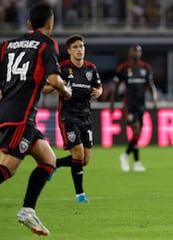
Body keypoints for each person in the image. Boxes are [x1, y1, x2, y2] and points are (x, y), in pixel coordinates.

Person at [0, 2, 72, 236]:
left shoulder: (7, 45)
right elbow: (53, 77)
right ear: (50, 23)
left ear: (29, 22)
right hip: (21, 116)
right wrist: (65, 90)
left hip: (10, 113)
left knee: (48, 160)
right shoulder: (46, 44)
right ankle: (27, 210)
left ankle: (28, 210)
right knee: (7, 169)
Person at [44, 34, 103, 203]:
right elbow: (45, 88)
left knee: (84, 160)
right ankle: (80, 195)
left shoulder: (91, 69)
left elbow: (98, 88)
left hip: (85, 116)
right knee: (78, 153)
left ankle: (54, 163)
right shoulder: (61, 68)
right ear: (69, 51)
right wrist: (57, 86)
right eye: (75, 47)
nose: (79, 49)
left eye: (81, 46)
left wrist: (99, 92)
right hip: (68, 116)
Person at [110, 45, 157, 172]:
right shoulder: (123, 69)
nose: (136, 53)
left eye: (139, 50)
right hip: (129, 105)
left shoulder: (146, 68)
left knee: (138, 134)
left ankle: (135, 162)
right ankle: (125, 156)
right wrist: (112, 104)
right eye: (134, 50)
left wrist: (154, 97)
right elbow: (115, 88)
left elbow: (150, 85)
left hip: (141, 104)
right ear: (130, 53)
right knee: (136, 131)